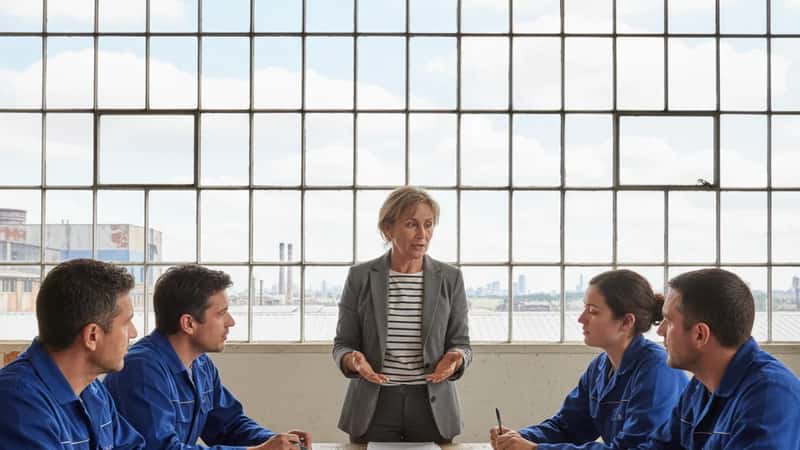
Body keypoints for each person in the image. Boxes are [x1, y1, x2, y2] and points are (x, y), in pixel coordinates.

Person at [105, 265, 311, 450]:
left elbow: (229, 425)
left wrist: (280, 443)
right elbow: (162, 448)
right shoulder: (140, 369)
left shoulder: (201, 365)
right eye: (221, 314)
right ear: (188, 324)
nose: (231, 322)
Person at [333, 186, 472, 443]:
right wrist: (353, 360)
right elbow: (343, 344)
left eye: (428, 225)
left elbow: (461, 343)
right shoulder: (360, 277)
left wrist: (457, 358)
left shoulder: (450, 278)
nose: (422, 234)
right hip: (373, 406)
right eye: (411, 224)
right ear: (388, 228)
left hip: (432, 407)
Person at [491, 269, 688, 450]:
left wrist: (535, 449)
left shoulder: (657, 369)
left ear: (627, 322)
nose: (581, 319)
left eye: (593, 311)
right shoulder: (600, 366)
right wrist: (517, 438)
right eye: (585, 308)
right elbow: (567, 427)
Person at [634, 268, 800, 449]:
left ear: (699, 335)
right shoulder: (700, 385)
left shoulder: (771, 397)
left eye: (669, 321)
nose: (660, 330)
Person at [0, 259, 145, 448]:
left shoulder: (92, 389)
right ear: (92, 336)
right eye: (126, 323)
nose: (133, 333)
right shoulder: (17, 403)